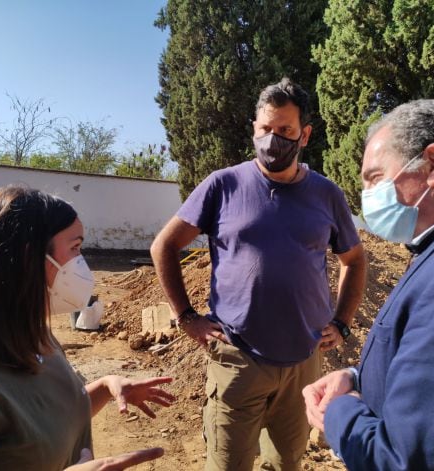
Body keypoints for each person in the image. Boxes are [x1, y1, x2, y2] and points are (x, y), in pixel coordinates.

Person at [151, 77, 367, 470]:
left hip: (305, 360)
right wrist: (186, 318)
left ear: (305, 135)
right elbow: (164, 245)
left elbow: (354, 259)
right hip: (237, 358)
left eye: (285, 130)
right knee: (228, 464)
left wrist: (343, 322)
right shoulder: (224, 184)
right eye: (266, 129)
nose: (273, 139)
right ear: (254, 128)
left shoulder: (326, 194)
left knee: (286, 463)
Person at [0, 186, 175, 471]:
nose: (82, 261)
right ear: (30, 259)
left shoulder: (35, 337)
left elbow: (39, 426)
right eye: (75, 247)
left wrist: (104, 388)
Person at [303, 99, 434, 470]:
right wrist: (357, 377)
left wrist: (339, 411)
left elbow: (410, 460)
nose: (367, 197)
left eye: (374, 178)